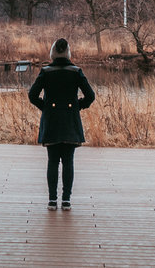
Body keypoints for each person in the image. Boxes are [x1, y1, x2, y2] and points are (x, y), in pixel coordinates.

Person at [28, 37, 95, 210]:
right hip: (70, 120)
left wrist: (45, 107)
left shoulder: (46, 71)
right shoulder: (76, 71)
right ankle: (66, 200)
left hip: (51, 120)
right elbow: (91, 96)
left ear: (52, 53)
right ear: (68, 53)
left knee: (52, 161)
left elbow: (32, 95)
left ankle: (52, 201)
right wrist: (78, 106)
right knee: (68, 161)